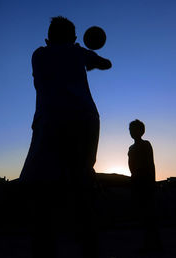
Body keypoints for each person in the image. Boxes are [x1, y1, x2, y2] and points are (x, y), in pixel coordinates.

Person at [19, 16, 111, 258]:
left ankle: (45, 248)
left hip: (51, 121)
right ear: (73, 37)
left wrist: (81, 55)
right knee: (81, 186)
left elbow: (59, 58)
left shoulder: (38, 55)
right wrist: (90, 53)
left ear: (48, 37)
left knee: (43, 192)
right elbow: (107, 64)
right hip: (84, 120)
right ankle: (90, 248)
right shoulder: (77, 52)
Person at [128, 119, 160, 251]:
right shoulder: (131, 148)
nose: (132, 132)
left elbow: (150, 165)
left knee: (149, 216)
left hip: (145, 183)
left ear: (142, 131)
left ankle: (153, 244)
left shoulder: (146, 145)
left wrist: (151, 183)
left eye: (135, 129)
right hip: (136, 183)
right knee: (142, 215)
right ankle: (148, 243)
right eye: (131, 130)